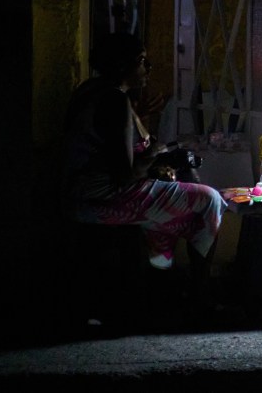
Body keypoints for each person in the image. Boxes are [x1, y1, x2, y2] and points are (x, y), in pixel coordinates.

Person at [61, 31, 227, 315]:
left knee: (174, 196)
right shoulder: (115, 101)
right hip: (105, 199)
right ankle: (200, 293)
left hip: (79, 192)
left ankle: (162, 282)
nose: (147, 68)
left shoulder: (89, 90)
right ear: (122, 66)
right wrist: (155, 155)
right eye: (141, 61)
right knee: (209, 200)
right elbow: (124, 175)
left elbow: (110, 145)